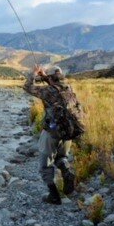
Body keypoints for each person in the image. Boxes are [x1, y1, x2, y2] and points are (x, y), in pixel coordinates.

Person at [24, 65, 84, 205]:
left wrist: (33, 74)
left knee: (45, 164)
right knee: (61, 156)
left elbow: (27, 87)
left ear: (51, 78)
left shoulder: (48, 91)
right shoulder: (68, 88)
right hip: (68, 131)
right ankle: (67, 173)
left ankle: (54, 195)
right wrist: (45, 76)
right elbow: (54, 84)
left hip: (51, 132)